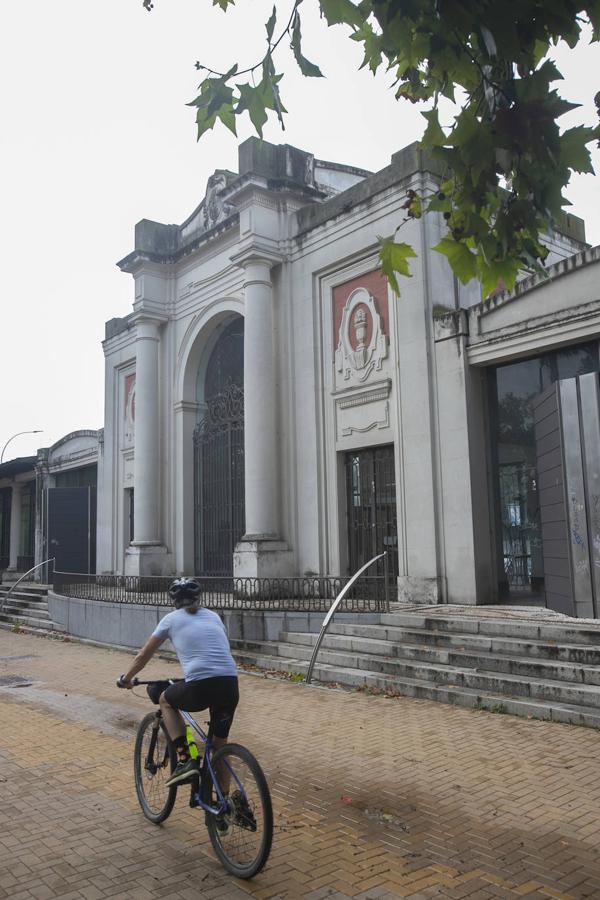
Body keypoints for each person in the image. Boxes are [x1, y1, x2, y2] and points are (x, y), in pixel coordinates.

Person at [118, 577, 238, 788]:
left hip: (200, 686)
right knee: (220, 748)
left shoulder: (171, 619)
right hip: (229, 684)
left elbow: (144, 656)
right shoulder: (213, 616)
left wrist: (127, 679)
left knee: (165, 700)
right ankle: (226, 806)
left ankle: (185, 759)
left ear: (173, 600)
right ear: (197, 597)